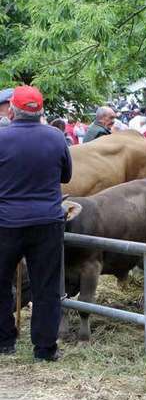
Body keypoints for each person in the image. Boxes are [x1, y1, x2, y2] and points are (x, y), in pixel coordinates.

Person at [0, 86, 72, 361]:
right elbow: (66, 175)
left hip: (6, 222)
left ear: (12, 110)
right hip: (47, 222)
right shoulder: (56, 137)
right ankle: (44, 349)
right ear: (40, 110)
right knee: (47, 287)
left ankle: (4, 341)